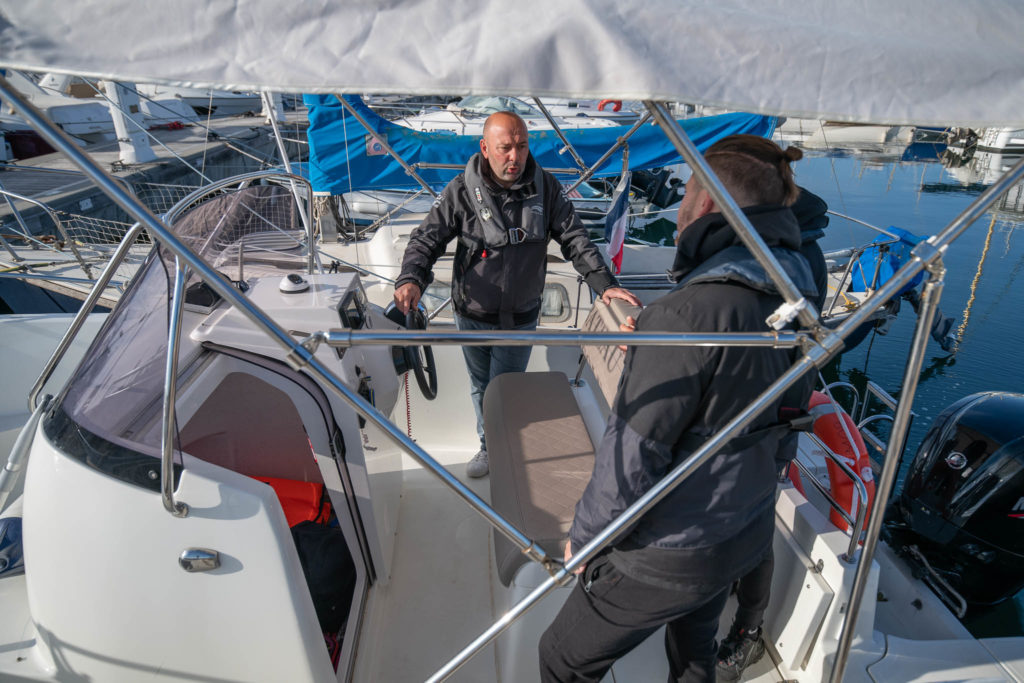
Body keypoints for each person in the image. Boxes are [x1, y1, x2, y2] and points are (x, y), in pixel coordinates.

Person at [538, 134, 818, 682]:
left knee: (561, 657)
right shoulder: (797, 295)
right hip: (742, 531)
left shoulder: (685, 315)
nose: (682, 203)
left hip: (671, 554)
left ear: (707, 202)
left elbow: (631, 459)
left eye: (687, 191)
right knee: (695, 653)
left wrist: (586, 541)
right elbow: (788, 421)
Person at [393, 111, 639, 478]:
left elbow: (576, 239)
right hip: (472, 314)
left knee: (504, 389)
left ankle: (503, 449)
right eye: (505, 148)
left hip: (520, 317)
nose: (515, 157)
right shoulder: (460, 190)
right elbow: (426, 238)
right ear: (485, 149)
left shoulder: (547, 188)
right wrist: (410, 278)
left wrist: (605, 284)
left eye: (521, 147)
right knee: (481, 387)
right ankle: (489, 447)